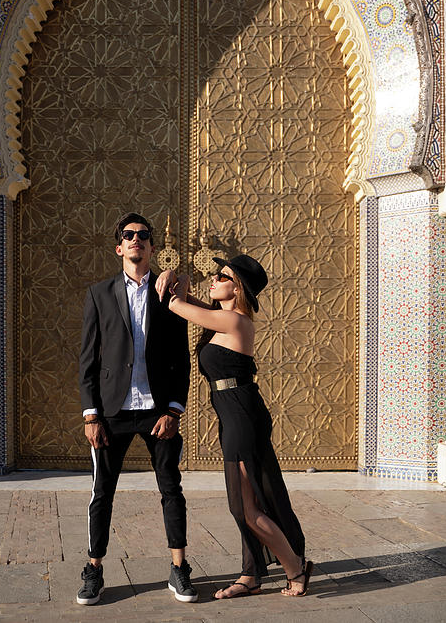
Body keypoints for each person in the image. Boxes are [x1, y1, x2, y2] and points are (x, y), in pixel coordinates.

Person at [166, 254, 313, 599]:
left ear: (238, 288)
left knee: (245, 506)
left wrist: (180, 284)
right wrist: (184, 286)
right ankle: (251, 574)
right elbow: (196, 305)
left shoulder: (235, 322)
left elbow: (176, 305)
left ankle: (295, 567)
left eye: (222, 276)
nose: (214, 279)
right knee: (244, 502)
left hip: (242, 416)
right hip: (234, 413)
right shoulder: (225, 318)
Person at [77, 213, 197, 606]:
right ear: (119, 247)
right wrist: (91, 414)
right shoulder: (99, 293)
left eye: (143, 236)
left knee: (170, 488)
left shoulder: (168, 293)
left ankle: (179, 569)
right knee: (102, 492)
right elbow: (87, 360)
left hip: (158, 410)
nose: (136, 241)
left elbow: (182, 356)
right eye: (128, 236)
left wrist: (174, 410)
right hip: (112, 411)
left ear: (151, 246)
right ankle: (94, 569)